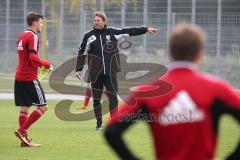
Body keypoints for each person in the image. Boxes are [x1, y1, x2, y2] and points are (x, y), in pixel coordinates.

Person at [104, 23, 240, 160]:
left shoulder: (148, 92)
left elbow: (111, 131)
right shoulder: (216, 89)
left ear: (169, 52)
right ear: (200, 55)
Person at [75, 11, 158, 130]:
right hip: (95, 72)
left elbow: (131, 31)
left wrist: (146, 29)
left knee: (113, 97)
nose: (95, 22)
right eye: (94, 20)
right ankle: (99, 123)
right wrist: (79, 69)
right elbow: (82, 52)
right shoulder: (88, 36)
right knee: (97, 98)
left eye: (98, 20)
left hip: (111, 72)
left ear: (104, 21)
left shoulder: (113, 33)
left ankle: (113, 123)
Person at [14, 12, 52, 147]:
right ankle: (22, 130)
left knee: (25, 107)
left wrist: (39, 65)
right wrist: (46, 64)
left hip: (19, 77)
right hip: (29, 78)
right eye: (41, 23)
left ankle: (24, 140)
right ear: (35, 23)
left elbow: (25, 57)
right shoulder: (33, 36)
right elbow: (33, 57)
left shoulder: (22, 35)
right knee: (44, 106)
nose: (42, 25)